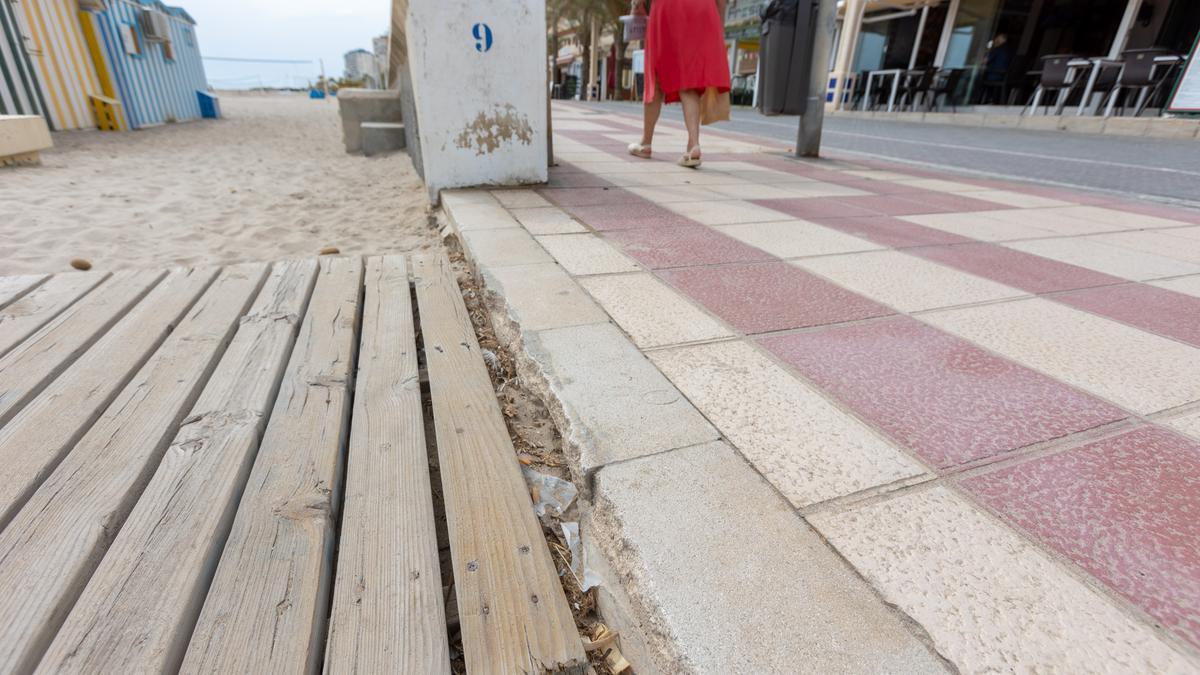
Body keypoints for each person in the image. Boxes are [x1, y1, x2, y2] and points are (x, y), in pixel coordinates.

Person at [627, 0, 731, 168]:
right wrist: (719, 26)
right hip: (703, 10)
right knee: (688, 79)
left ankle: (646, 143)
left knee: (657, 74)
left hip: (667, 8)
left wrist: (636, 5)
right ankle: (693, 145)